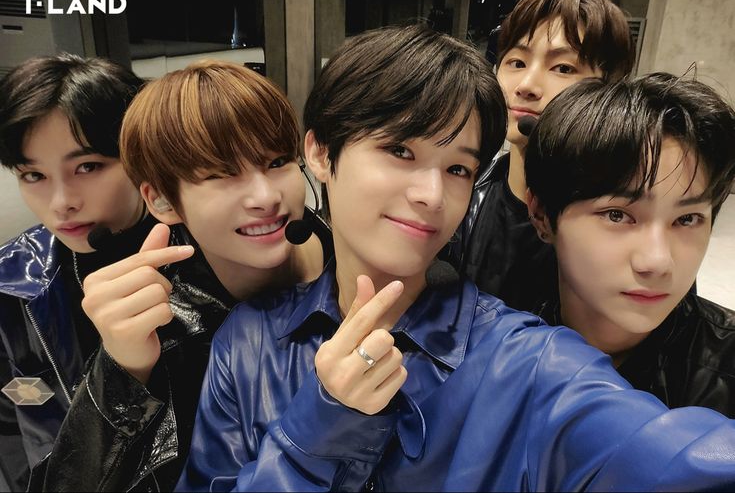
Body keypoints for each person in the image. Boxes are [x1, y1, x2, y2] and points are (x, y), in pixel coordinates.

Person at [178, 25, 735, 492]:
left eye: (458, 168)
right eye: (400, 150)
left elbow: (662, 454)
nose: (430, 194)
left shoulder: (526, 358)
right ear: (321, 152)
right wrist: (313, 436)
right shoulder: (249, 343)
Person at [27, 60, 332, 492]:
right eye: (220, 174)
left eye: (278, 161)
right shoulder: (165, 328)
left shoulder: (355, 255)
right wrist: (123, 370)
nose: (266, 197)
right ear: (164, 201)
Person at [525, 73, 735, 416]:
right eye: (617, 215)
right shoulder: (497, 349)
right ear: (541, 215)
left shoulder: (725, 371)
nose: (657, 261)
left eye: (687, 219)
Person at [0, 54, 147, 491]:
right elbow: (13, 425)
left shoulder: (208, 264)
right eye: (33, 175)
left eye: (87, 167)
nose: (61, 202)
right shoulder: (11, 282)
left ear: (140, 154)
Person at [454, 0, 635, 313]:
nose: (526, 86)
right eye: (517, 63)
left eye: (563, 68)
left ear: (607, 90)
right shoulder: (462, 197)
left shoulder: (634, 221)